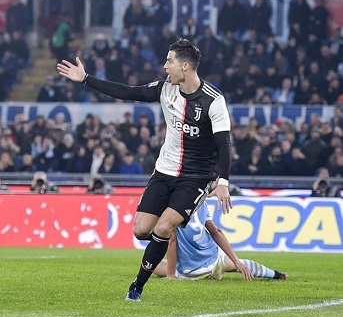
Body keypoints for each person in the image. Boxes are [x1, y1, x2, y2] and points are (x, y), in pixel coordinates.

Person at [57, 38, 232, 302]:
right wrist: (86, 80)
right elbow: (128, 92)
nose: (164, 67)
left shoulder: (213, 100)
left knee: (163, 228)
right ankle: (165, 240)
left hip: (196, 177)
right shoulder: (165, 89)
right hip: (164, 172)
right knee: (141, 230)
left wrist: (223, 182)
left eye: (169, 61)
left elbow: (225, 144)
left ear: (185, 66)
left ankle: (137, 286)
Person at [152, 202, 286, 281]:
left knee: (152, 265)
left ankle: (275, 274)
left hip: (189, 272)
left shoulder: (170, 207)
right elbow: (216, 232)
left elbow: (172, 241)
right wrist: (236, 261)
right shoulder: (201, 202)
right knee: (238, 265)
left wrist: (170, 276)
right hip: (213, 263)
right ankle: (276, 274)